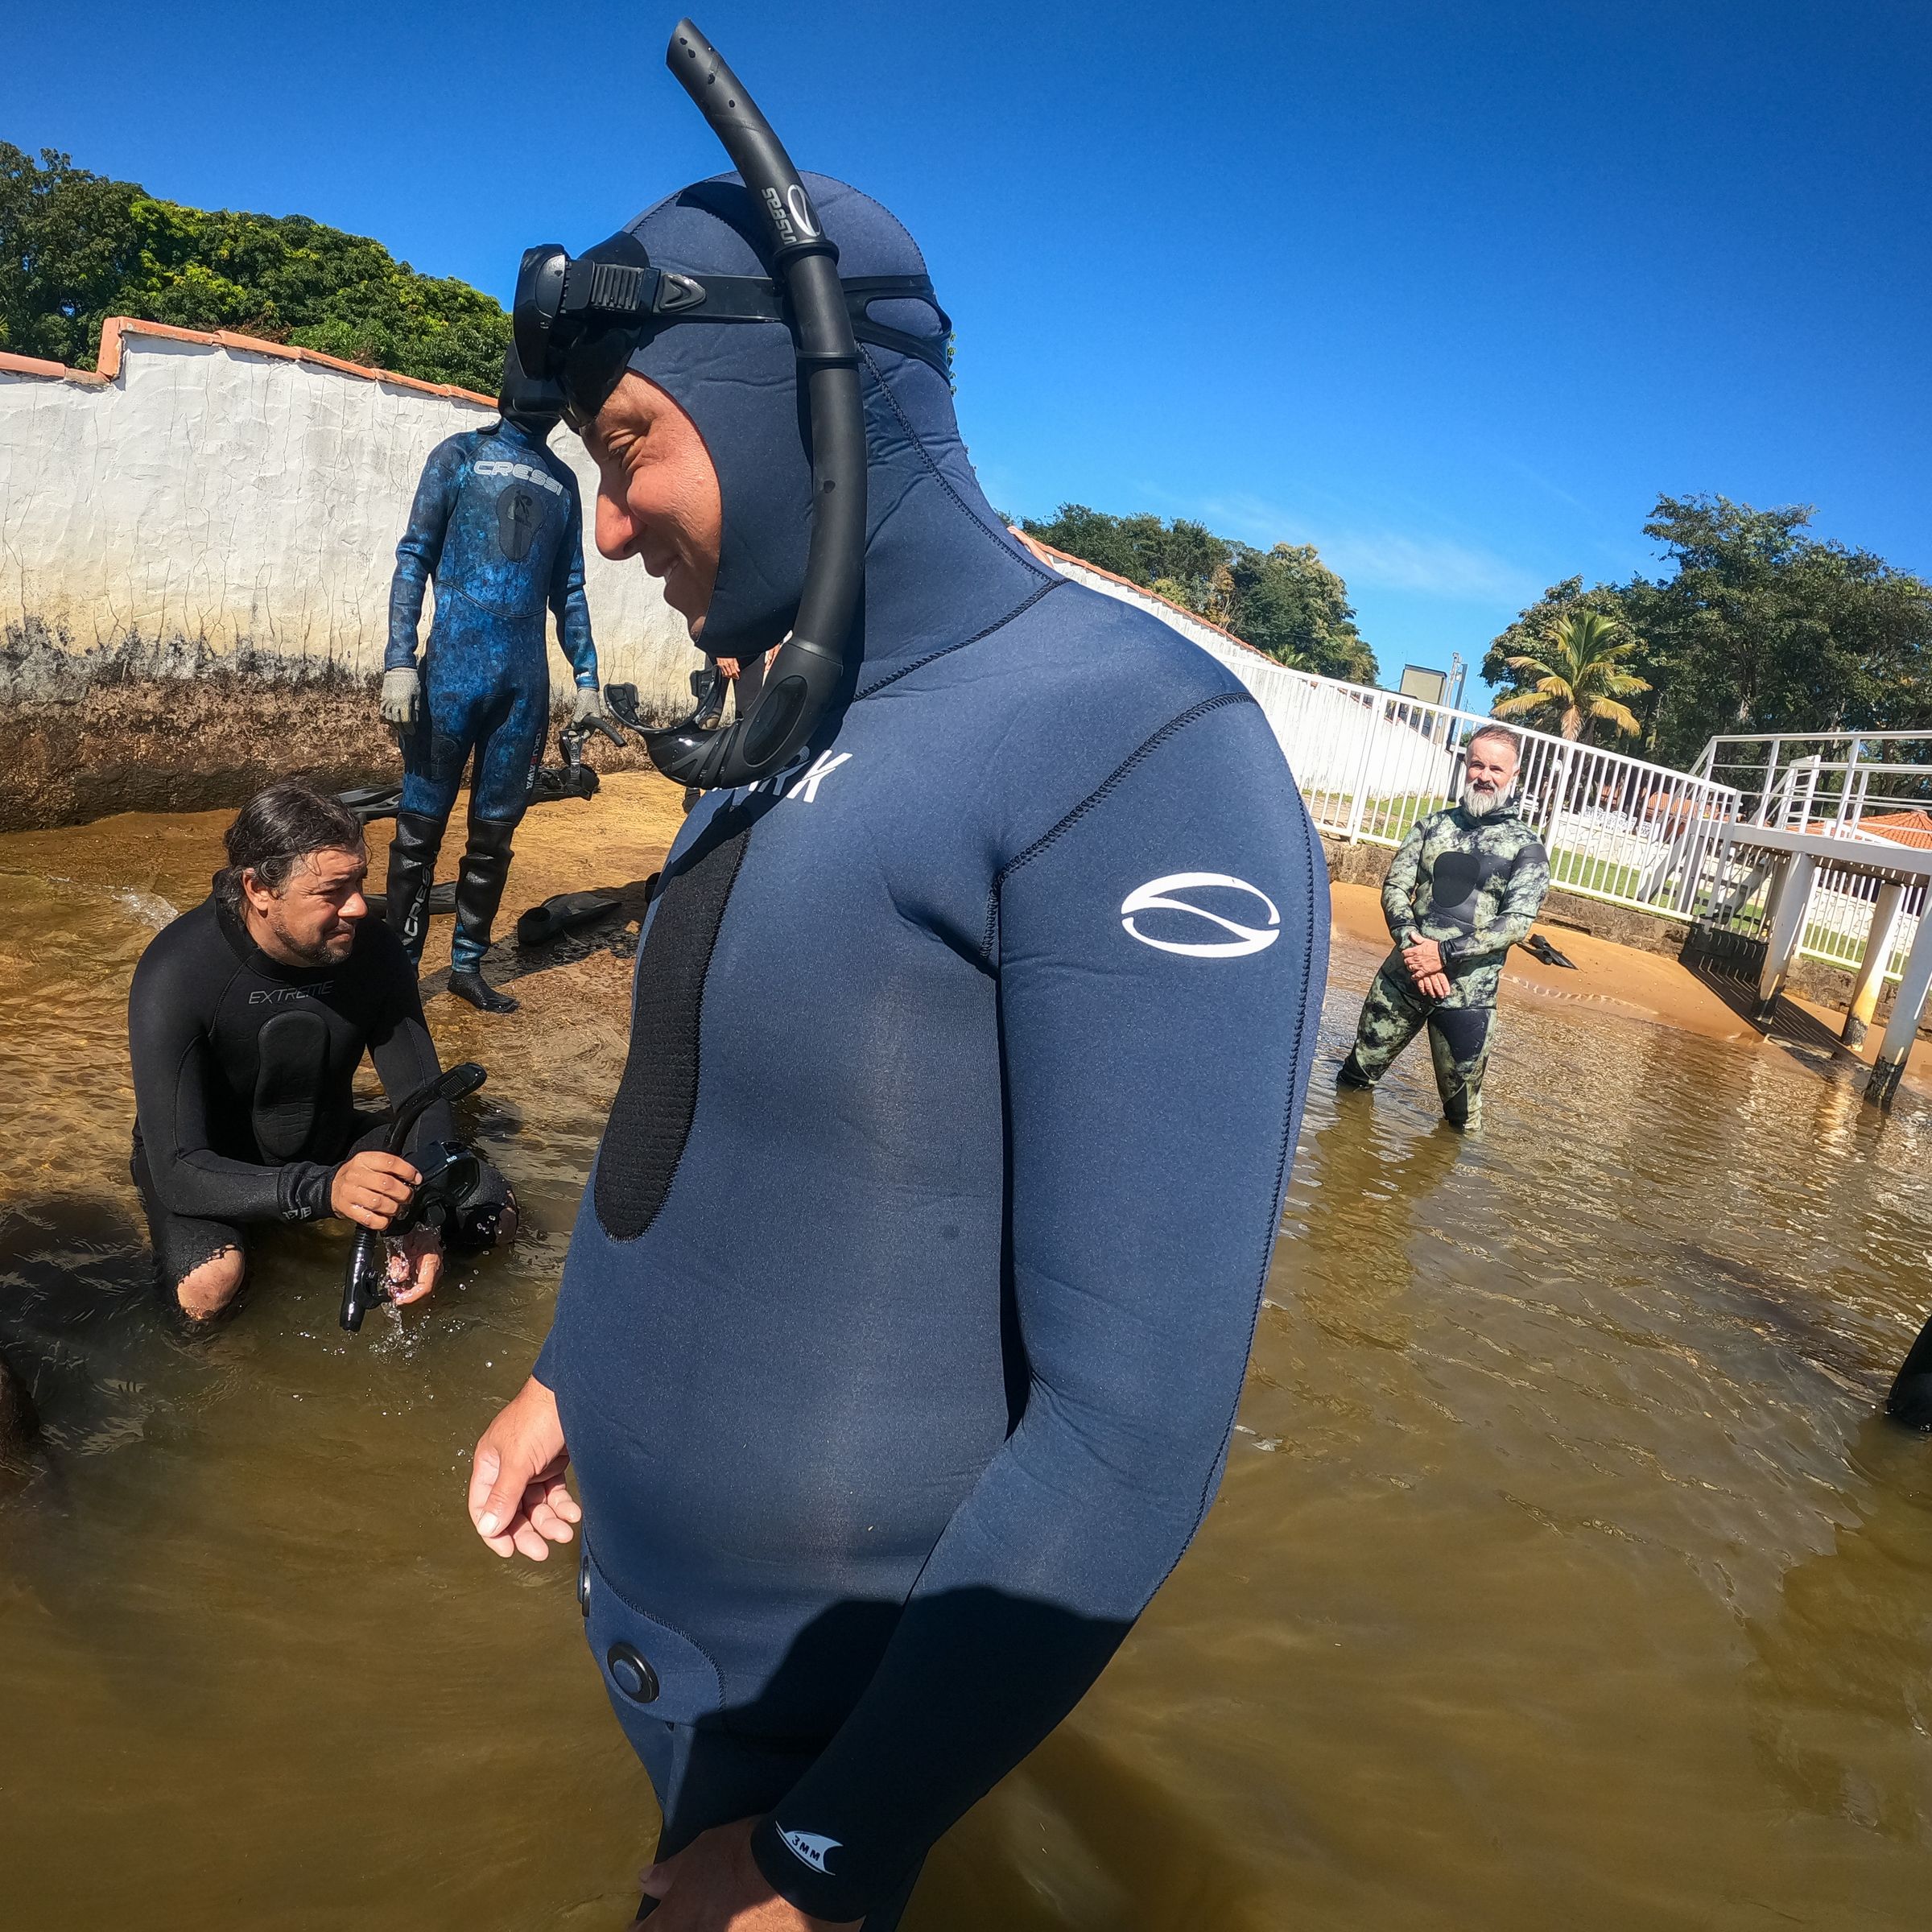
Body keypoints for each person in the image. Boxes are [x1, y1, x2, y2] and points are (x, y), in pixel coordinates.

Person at [464, 164, 1328, 1932]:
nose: (608, 531)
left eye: (626, 446)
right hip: (658, 1643)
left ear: (805, 392)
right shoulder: (793, 719)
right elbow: (694, 1121)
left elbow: (1133, 1429)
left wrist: (829, 1854)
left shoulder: (1134, 745)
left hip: (822, 1735)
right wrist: (572, 1372)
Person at [126, 780, 510, 1321]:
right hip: (210, 1166)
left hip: (327, 1142)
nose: (357, 907)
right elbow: (177, 1167)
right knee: (210, 1285)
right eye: (332, 892)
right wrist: (326, 1190)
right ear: (259, 890)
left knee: (488, 1216)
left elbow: (422, 1099)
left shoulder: (373, 952)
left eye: (358, 882)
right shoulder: (178, 972)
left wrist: (426, 1217)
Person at [380, 349, 606, 1014]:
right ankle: (399, 972)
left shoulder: (564, 482)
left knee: (495, 833)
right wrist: (399, 659)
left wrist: (587, 677)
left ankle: (468, 965)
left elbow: (569, 588)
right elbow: (413, 556)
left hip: (521, 687)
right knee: (418, 831)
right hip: (449, 675)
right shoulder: (458, 457)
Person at [1336, 723, 1550, 1129]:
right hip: (1404, 975)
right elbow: (1395, 887)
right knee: (1354, 1081)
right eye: (1476, 765)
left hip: (1466, 994)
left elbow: (1516, 924)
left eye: (1496, 769)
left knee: (1462, 1121)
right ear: (1466, 766)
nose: (1484, 776)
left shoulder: (1527, 847)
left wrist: (1442, 955)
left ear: (1514, 776)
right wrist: (1412, 946)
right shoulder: (1432, 826)